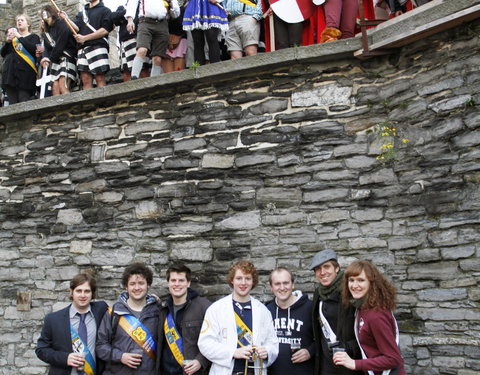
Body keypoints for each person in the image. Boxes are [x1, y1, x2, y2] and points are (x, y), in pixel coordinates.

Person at [198, 260, 279, 375]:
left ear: (253, 281)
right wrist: (233, 352)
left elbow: (273, 342)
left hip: (255, 371)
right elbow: (205, 343)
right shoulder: (217, 309)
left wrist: (267, 351)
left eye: (247, 278)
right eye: (239, 278)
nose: (243, 283)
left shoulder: (263, 311)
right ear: (232, 280)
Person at [333, 260, 405, 375]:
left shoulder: (376, 315)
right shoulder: (362, 308)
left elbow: (393, 359)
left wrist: (354, 363)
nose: (354, 285)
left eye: (361, 280)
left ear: (372, 283)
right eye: (351, 280)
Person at [36, 273, 109, 375]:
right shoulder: (53, 319)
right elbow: (41, 350)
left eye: (87, 291)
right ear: (71, 292)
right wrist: (65, 358)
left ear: (92, 293)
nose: (83, 295)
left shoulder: (101, 310)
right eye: (79, 291)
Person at [96, 262, 160, 374]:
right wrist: (120, 356)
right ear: (126, 286)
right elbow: (100, 346)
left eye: (141, 283)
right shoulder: (114, 313)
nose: (137, 288)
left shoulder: (158, 312)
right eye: (132, 284)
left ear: (148, 285)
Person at [310, 249, 362, 375]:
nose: (322, 272)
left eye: (326, 267)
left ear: (337, 268)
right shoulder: (318, 293)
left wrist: (348, 348)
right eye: (317, 269)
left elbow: (366, 329)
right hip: (326, 365)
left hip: (350, 363)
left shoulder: (351, 292)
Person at [157, 263, 211, 375]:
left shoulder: (204, 307)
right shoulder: (163, 309)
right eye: (173, 280)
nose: (177, 284)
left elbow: (217, 339)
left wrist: (200, 361)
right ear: (168, 283)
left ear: (188, 283)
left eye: (181, 280)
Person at [266, 267, 314, 375]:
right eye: (277, 284)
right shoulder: (267, 311)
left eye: (286, 283)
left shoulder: (309, 308)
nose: (282, 287)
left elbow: (322, 340)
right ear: (271, 287)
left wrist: (310, 351)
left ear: (292, 284)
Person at [61, 0, 113, 89]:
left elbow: (105, 30)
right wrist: (67, 19)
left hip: (98, 46)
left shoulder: (105, 11)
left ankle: (103, 100)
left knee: (99, 77)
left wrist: (85, 38)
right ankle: (90, 103)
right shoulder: (82, 13)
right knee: (85, 79)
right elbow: (76, 28)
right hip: (82, 48)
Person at [126, 0, 181, 79]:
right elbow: (132, 2)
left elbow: (176, 14)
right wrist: (130, 20)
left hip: (162, 24)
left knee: (157, 58)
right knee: (142, 50)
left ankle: (153, 81)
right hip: (145, 21)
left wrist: (171, 4)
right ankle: (134, 77)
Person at [1, 14, 40, 104]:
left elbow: (33, 49)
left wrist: (19, 36)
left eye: (22, 20)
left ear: (28, 24)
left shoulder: (34, 37)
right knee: (12, 103)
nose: (19, 22)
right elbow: (3, 54)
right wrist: (7, 42)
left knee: (24, 100)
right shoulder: (13, 40)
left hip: (25, 75)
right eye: (18, 20)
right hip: (11, 74)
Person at [39, 5, 78, 96]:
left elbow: (61, 43)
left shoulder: (62, 23)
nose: (45, 17)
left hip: (66, 58)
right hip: (56, 61)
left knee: (62, 86)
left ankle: (69, 108)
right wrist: (45, 57)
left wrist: (50, 58)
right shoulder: (47, 32)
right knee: (55, 88)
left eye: (46, 14)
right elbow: (46, 48)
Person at [182, 0, 229, 65]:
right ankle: (198, 72)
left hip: (210, 5)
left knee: (212, 38)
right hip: (194, 5)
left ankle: (216, 69)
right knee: (197, 41)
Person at [110, 4, 149, 81]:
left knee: (142, 68)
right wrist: (129, 12)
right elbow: (114, 17)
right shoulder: (122, 7)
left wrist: (124, 17)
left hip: (137, 39)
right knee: (126, 71)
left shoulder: (142, 4)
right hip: (124, 43)